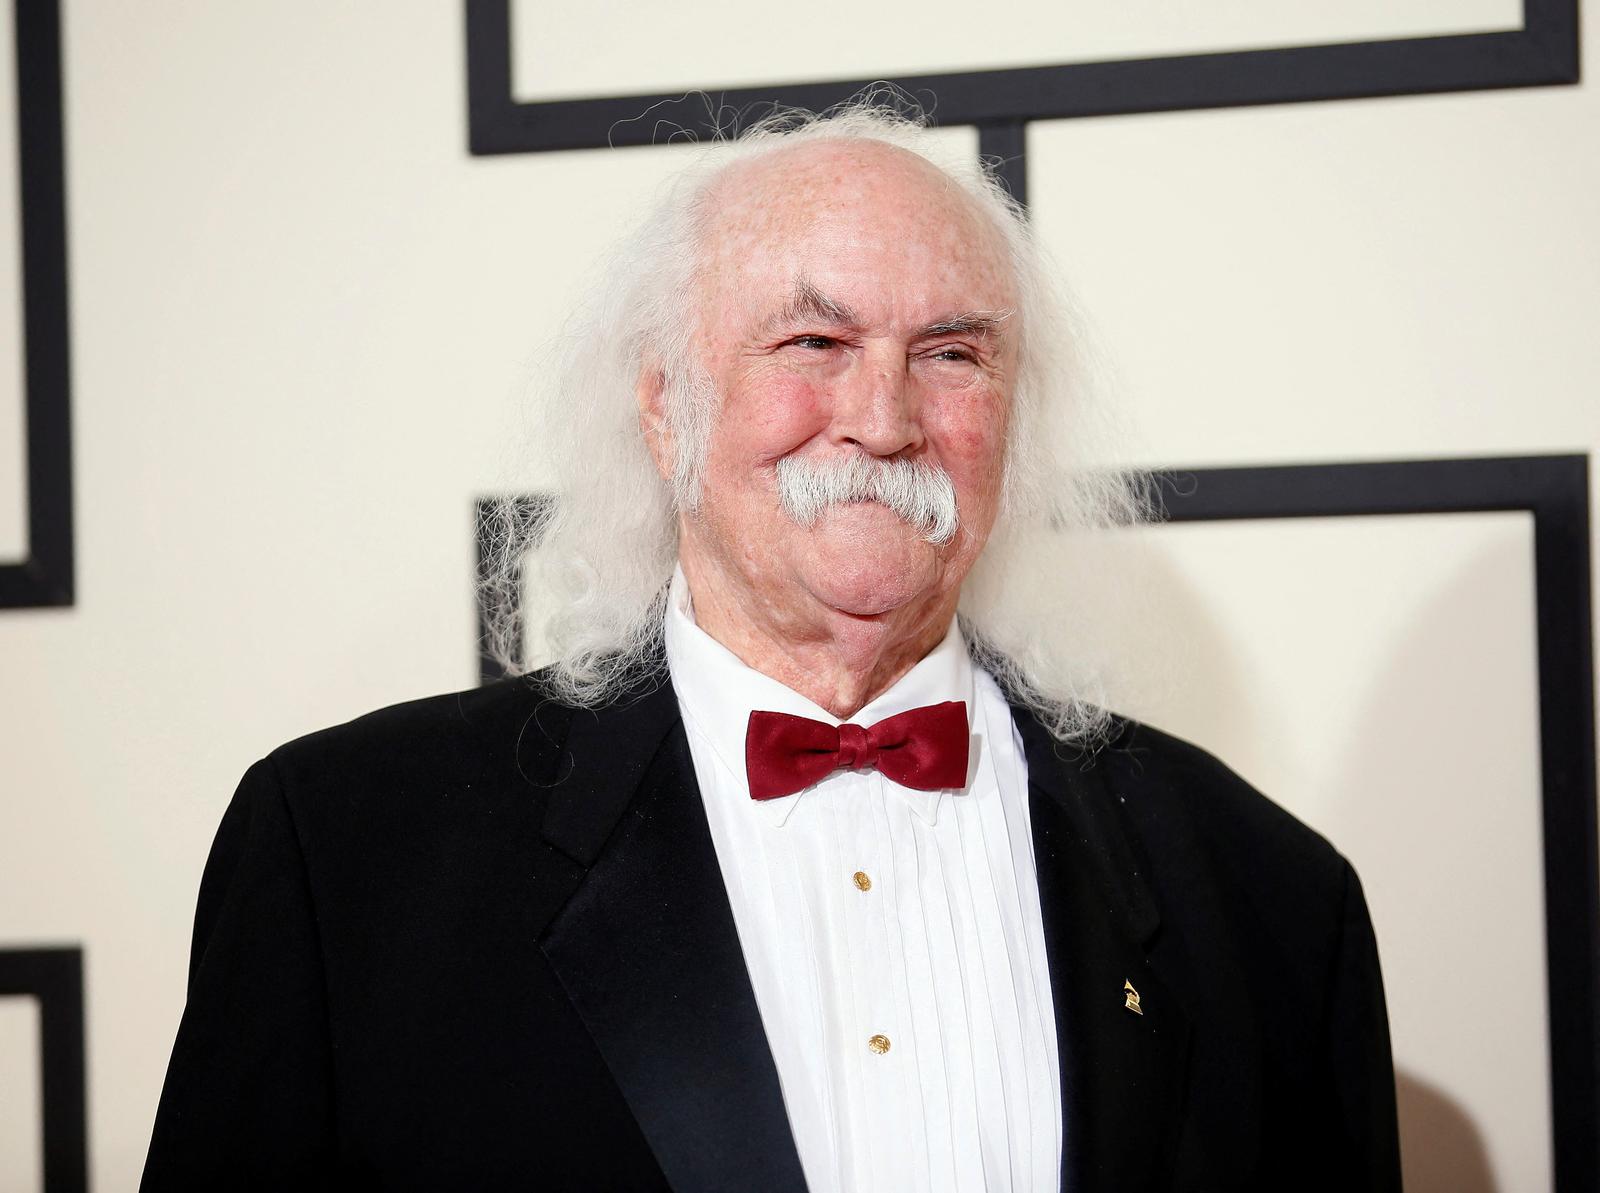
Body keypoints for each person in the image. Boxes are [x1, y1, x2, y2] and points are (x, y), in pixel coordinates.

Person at [141, 101, 1401, 1192]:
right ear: (662, 402)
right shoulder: (345, 855)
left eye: (951, 354)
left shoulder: (1272, 900)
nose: (885, 417)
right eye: (815, 343)